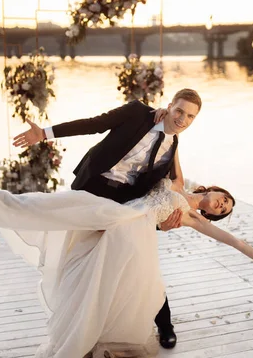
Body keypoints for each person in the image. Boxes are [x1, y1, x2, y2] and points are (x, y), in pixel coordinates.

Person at [0, 172, 253, 358]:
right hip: (119, 212)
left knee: (103, 281)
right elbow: (168, 144)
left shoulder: (190, 218)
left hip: (132, 232)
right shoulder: (179, 179)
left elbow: (232, 241)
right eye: (223, 199)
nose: (220, 205)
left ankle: (91, 336)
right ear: (215, 189)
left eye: (223, 209)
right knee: (64, 203)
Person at [11, 88, 203, 349]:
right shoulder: (138, 112)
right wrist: (43, 134)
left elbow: (167, 189)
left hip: (123, 202)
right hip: (92, 186)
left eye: (190, 116)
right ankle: (6, 205)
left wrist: (166, 222)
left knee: (140, 260)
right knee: (76, 251)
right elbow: (94, 124)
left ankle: (163, 323)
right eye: (179, 110)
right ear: (169, 106)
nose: (183, 119)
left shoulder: (172, 147)